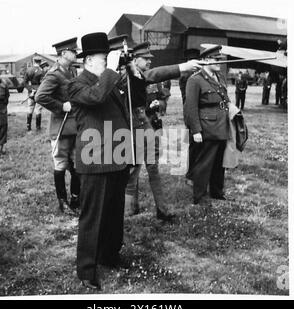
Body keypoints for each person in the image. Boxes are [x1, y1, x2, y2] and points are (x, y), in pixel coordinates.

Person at [67, 32, 131, 290]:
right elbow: (95, 97)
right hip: (95, 159)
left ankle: (109, 255)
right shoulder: (77, 85)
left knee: (114, 213)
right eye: (104, 58)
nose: (108, 62)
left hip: (117, 156)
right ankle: (86, 269)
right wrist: (111, 71)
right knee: (93, 216)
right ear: (90, 60)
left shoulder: (106, 79)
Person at [123, 42, 201, 220]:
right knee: (132, 170)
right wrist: (182, 67)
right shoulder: (125, 77)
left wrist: (160, 105)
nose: (150, 62)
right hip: (132, 128)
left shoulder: (139, 76)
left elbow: (161, 92)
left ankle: (162, 210)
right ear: (134, 60)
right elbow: (153, 74)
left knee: (153, 169)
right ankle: (129, 210)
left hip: (148, 125)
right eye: (146, 59)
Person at [35, 38, 80, 214]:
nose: (76, 54)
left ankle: (76, 198)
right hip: (61, 127)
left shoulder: (72, 71)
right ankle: (63, 202)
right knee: (60, 164)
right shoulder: (54, 74)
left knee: (78, 164)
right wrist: (61, 106)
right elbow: (40, 96)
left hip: (75, 126)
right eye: (74, 51)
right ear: (63, 54)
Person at [184, 45, 230, 205]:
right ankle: (200, 196)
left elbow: (224, 100)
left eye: (220, 59)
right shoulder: (195, 80)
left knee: (219, 163)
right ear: (205, 60)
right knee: (204, 163)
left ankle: (217, 192)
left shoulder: (220, 77)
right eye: (215, 59)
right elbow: (190, 107)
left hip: (222, 127)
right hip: (207, 128)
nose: (219, 62)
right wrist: (196, 130)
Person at [24, 57, 44, 131]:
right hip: (39, 91)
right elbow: (43, 83)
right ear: (40, 62)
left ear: (33, 61)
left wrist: (30, 89)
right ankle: (38, 127)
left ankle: (28, 127)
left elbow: (24, 83)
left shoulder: (28, 70)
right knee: (38, 109)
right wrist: (37, 90)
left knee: (30, 108)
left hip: (31, 92)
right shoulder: (41, 71)